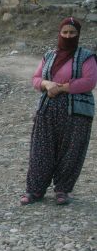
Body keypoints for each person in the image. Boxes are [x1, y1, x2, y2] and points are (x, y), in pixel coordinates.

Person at [22, 17, 97, 206]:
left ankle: (62, 190)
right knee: (41, 149)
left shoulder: (86, 57)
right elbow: (36, 78)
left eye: (72, 33)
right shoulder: (49, 55)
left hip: (76, 112)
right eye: (65, 32)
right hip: (48, 109)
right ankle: (35, 190)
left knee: (71, 150)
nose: (68, 36)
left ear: (78, 34)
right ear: (59, 33)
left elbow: (89, 82)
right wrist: (47, 84)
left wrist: (62, 88)